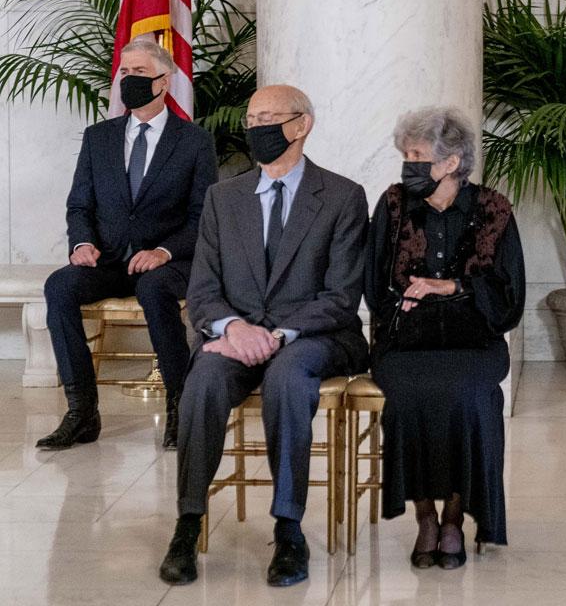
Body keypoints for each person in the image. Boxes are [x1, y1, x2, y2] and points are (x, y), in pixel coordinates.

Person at [158, 85, 369, 588]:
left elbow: (341, 295)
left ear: (301, 126)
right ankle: (187, 524)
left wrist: (275, 334)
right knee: (203, 380)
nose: (257, 128)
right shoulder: (222, 198)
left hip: (316, 335)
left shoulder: (342, 196)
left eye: (269, 117)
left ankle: (289, 528)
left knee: (288, 379)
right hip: (237, 336)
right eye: (252, 119)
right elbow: (203, 288)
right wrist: (232, 328)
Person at [364, 108, 525, 570]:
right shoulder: (393, 205)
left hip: (474, 344)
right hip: (407, 345)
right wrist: (401, 300)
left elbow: (509, 294)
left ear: (451, 162)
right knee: (409, 398)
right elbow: (375, 283)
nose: (407, 164)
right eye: (405, 155)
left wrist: (451, 288)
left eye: (417, 155)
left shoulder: (493, 209)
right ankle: (425, 518)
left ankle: (455, 518)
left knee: (470, 398)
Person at [40, 39, 216, 451]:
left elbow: (203, 216)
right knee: (59, 287)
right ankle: (82, 411)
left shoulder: (193, 141)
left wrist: (163, 252)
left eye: (139, 72)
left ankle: (179, 406)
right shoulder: (99, 137)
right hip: (109, 259)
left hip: (168, 261)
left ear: (164, 80)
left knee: (154, 290)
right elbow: (79, 204)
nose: (129, 80)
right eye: (124, 72)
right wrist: (81, 242)